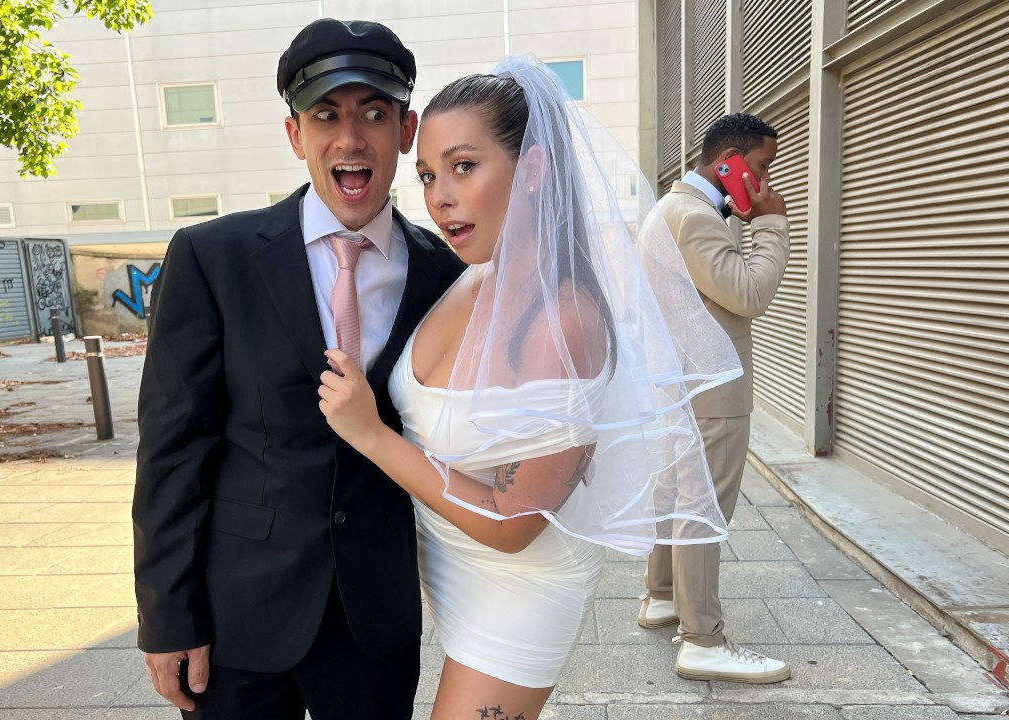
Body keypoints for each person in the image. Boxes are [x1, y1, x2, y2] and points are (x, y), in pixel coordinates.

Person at [318, 57, 742, 720]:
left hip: (518, 590)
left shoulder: (564, 321)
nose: (439, 196)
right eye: (427, 175)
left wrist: (369, 434)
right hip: (446, 571)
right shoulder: (469, 274)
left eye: (464, 166)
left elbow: (514, 524)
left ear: (535, 169)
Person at [131, 18, 464, 720]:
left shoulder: (446, 273)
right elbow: (172, 447)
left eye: (374, 114)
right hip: (237, 615)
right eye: (326, 115)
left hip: (375, 618)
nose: (351, 139)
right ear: (295, 135)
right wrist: (167, 616)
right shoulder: (212, 257)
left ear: (406, 131)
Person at [639, 112, 792, 683]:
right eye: (761, 166)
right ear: (728, 162)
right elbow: (749, 294)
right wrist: (772, 224)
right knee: (704, 508)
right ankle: (702, 640)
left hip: (684, 381)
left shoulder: (675, 209)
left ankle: (662, 596)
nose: (766, 181)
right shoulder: (694, 217)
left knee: (679, 494)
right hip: (709, 386)